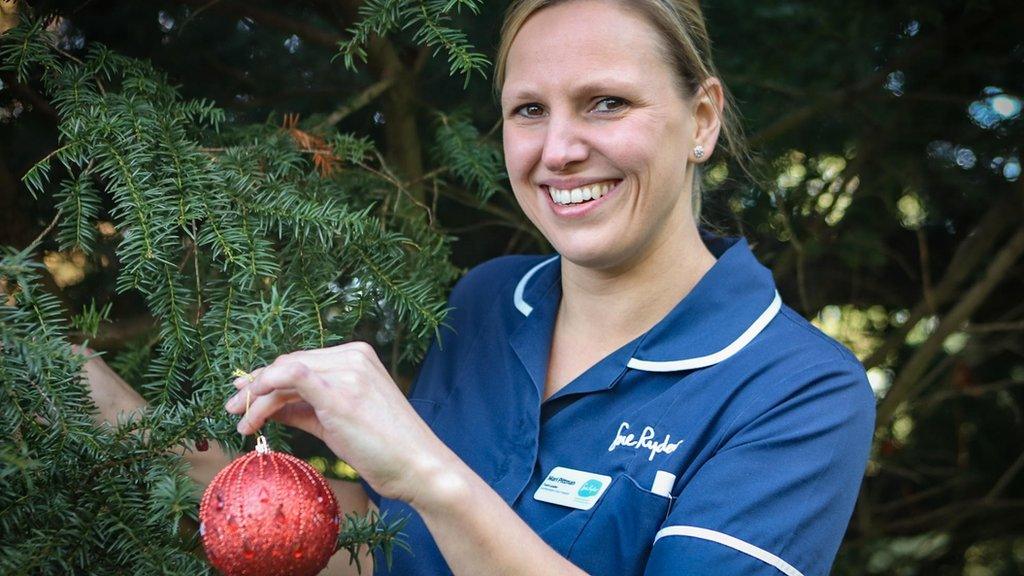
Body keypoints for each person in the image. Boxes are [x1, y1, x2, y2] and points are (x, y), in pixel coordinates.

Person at [81, 1, 875, 574]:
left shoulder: (799, 390)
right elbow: (394, 556)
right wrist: (89, 397)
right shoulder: (489, 303)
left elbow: (438, 498)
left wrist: (428, 470)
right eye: (529, 110)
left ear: (701, 119)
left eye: (606, 102)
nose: (559, 149)